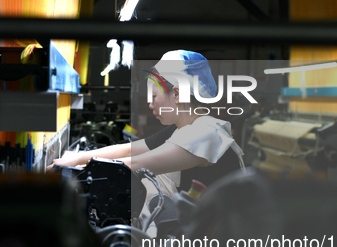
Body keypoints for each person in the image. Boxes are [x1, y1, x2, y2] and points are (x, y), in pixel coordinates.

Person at [49, 50, 244, 194]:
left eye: (153, 95)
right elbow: (128, 150)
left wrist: (67, 171)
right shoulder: (181, 129)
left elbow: (131, 164)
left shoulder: (205, 133)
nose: (150, 103)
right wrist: (75, 158)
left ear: (176, 93)